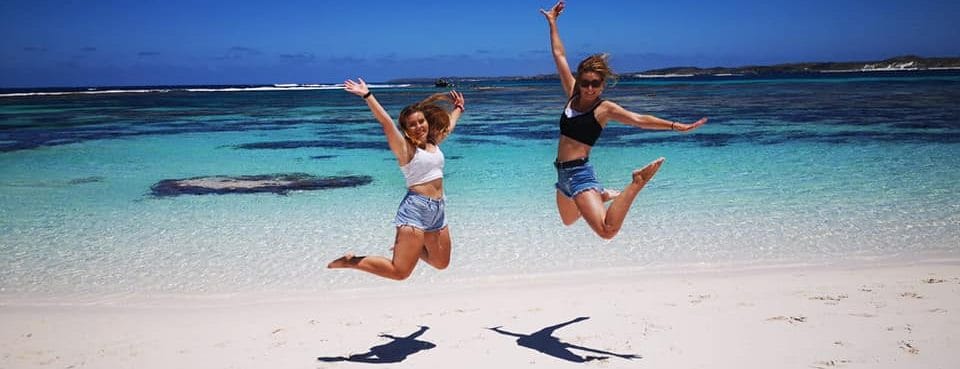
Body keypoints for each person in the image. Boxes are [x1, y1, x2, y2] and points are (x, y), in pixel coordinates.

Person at [540, 1, 707, 239]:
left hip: (579, 175)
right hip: (562, 174)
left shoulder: (604, 109)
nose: (589, 88)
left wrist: (674, 126)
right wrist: (553, 23)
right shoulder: (572, 94)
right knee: (568, 221)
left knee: (607, 230)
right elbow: (559, 55)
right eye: (585, 82)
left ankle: (637, 181)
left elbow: (639, 119)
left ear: (602, 85)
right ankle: (601, 194)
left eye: (595, 84)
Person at [327, 78, 465, 280]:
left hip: (438, 210)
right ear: (406, 129)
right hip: (415, 210)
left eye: (421, 121)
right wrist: (367, 95)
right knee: (399, 273)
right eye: (412, 124)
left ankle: (410, 248)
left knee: (441, 263)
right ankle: (351, 261)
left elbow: (449, 126)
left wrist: (459, 108)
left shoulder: (433, 142)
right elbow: (386, 122)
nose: (419, 126)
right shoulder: (406, 150)